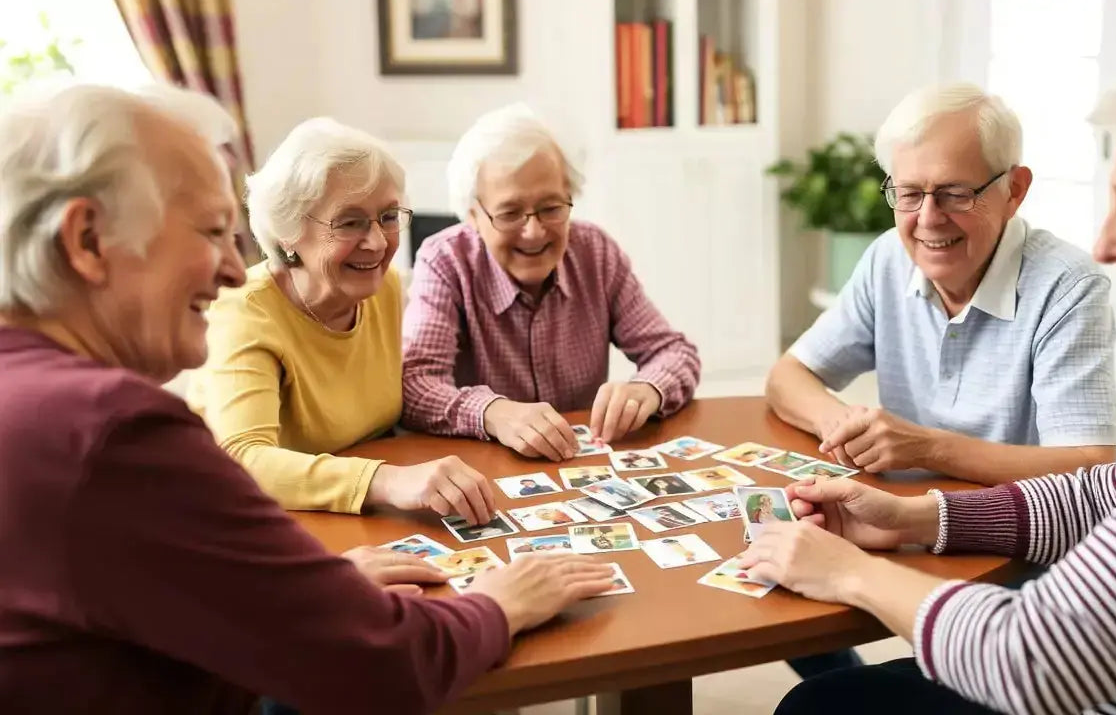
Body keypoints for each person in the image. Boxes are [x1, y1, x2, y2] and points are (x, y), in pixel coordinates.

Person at [0, 83, 618, 713]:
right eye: (212, 231)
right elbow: (381, 664)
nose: (230, 268)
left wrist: (314, 590)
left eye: (387, 217)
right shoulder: (111, 432)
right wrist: (497, 605)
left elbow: (143, 606)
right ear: (87, 240)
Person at [746, 30, 1116, 714]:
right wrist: (910, 518)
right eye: (909, 194)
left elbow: (1027, 661)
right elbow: (1102, 491)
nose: (1107, 244)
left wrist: (852, 574)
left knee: (821, 709)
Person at [766, 83, 1116, 486]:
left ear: (1015, 191)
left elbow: (1091, 466)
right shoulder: (888, 257)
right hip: (896, 518)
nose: (928, 218)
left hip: (1010, 535)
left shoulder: (1068, 287)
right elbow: (788, 376)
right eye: (909, 193)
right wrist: (842, 423)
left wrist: (927, 448)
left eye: (955, 194)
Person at [187, 117, 496, 522]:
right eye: (349, 222)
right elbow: (245, 460)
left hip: (351, 517)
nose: (376, 242)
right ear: (288, 231)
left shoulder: (383, 289)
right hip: (255, 521)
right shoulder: (246, 311)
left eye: (387, 217)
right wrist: (387, 481)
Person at [401, 103, 701, 460]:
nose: (533, 231)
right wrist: (494, 413)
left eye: (551, 208)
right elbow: (416, 384)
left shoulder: (595, 252)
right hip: (486, 470)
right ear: (473, 216)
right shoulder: (444, 261)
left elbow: (674, 352)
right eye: (510, 213)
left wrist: (647, 389)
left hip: (582, 471)